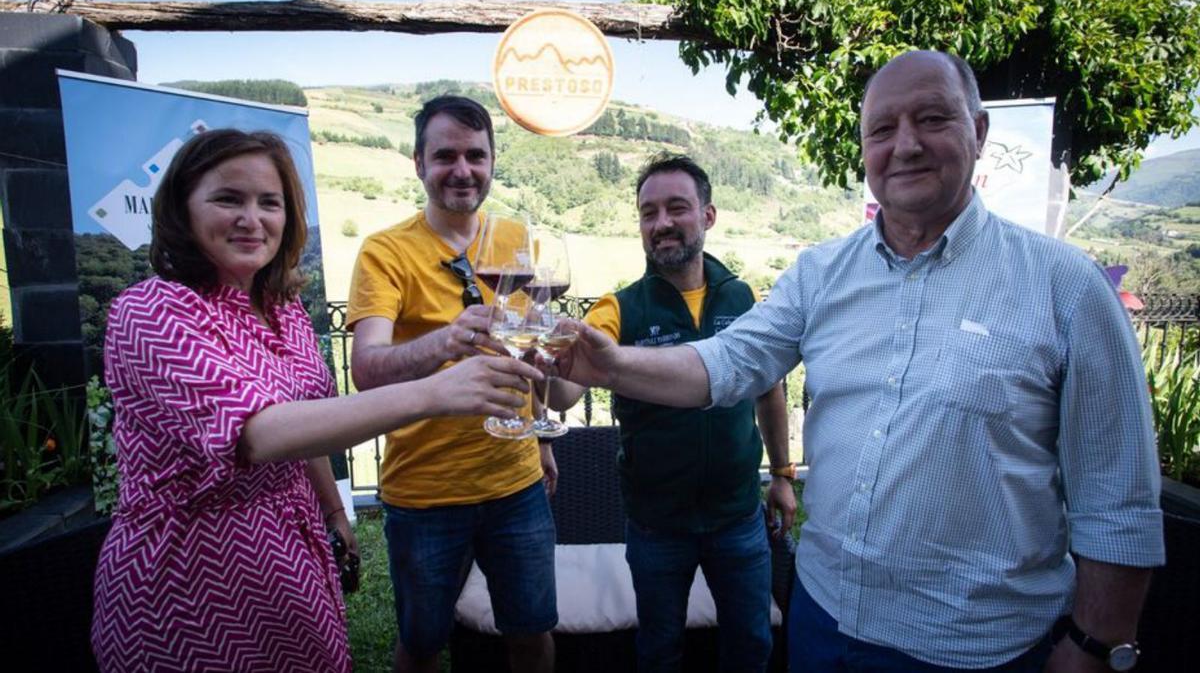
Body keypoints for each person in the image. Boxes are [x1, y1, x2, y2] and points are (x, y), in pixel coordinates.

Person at [554, 51, 1163, 672]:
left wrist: (1094, 647)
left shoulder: (1067, 288)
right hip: (824, 621)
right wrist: (607, 367)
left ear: (978, 133)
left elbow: (1118, 501)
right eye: (882, 130)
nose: (905, 146)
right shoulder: (820, 275)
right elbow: (731, 363)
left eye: (931, 119)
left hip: (975, 649)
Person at [90, 128, 540, 673]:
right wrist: (432, 392)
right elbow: (258, 433)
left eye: (269, 202)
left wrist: (333, 510)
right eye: (228, 198)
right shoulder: (154, 311)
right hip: (192, 573)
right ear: (182, 208)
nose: (251, 218)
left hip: (293, 555)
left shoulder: (284, 310)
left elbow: (311, 419)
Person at [550, 154, 796, 672]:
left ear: (707, 215)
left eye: (676, 208)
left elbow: (769, 390)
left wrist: (781, 474)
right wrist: (544, 363)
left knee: (751, 647)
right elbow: (563, 396)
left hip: (738, 516)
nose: (661, 223)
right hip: (657, 524)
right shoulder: (618, 308)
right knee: (659, 651)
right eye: (648, 212)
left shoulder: (742, 297)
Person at [347, 95, 557, 673]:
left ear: (492, 162)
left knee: (532, 632)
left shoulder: (514, 237)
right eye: (445, 156)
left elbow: (525, 342)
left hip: (516, 486)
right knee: (421, 642)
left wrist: (539, 438)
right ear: (418, 163)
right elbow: (366, 368)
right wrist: (444, 340)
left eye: (475, 155)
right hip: (425, 492)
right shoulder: (385, 252)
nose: (462, 170)